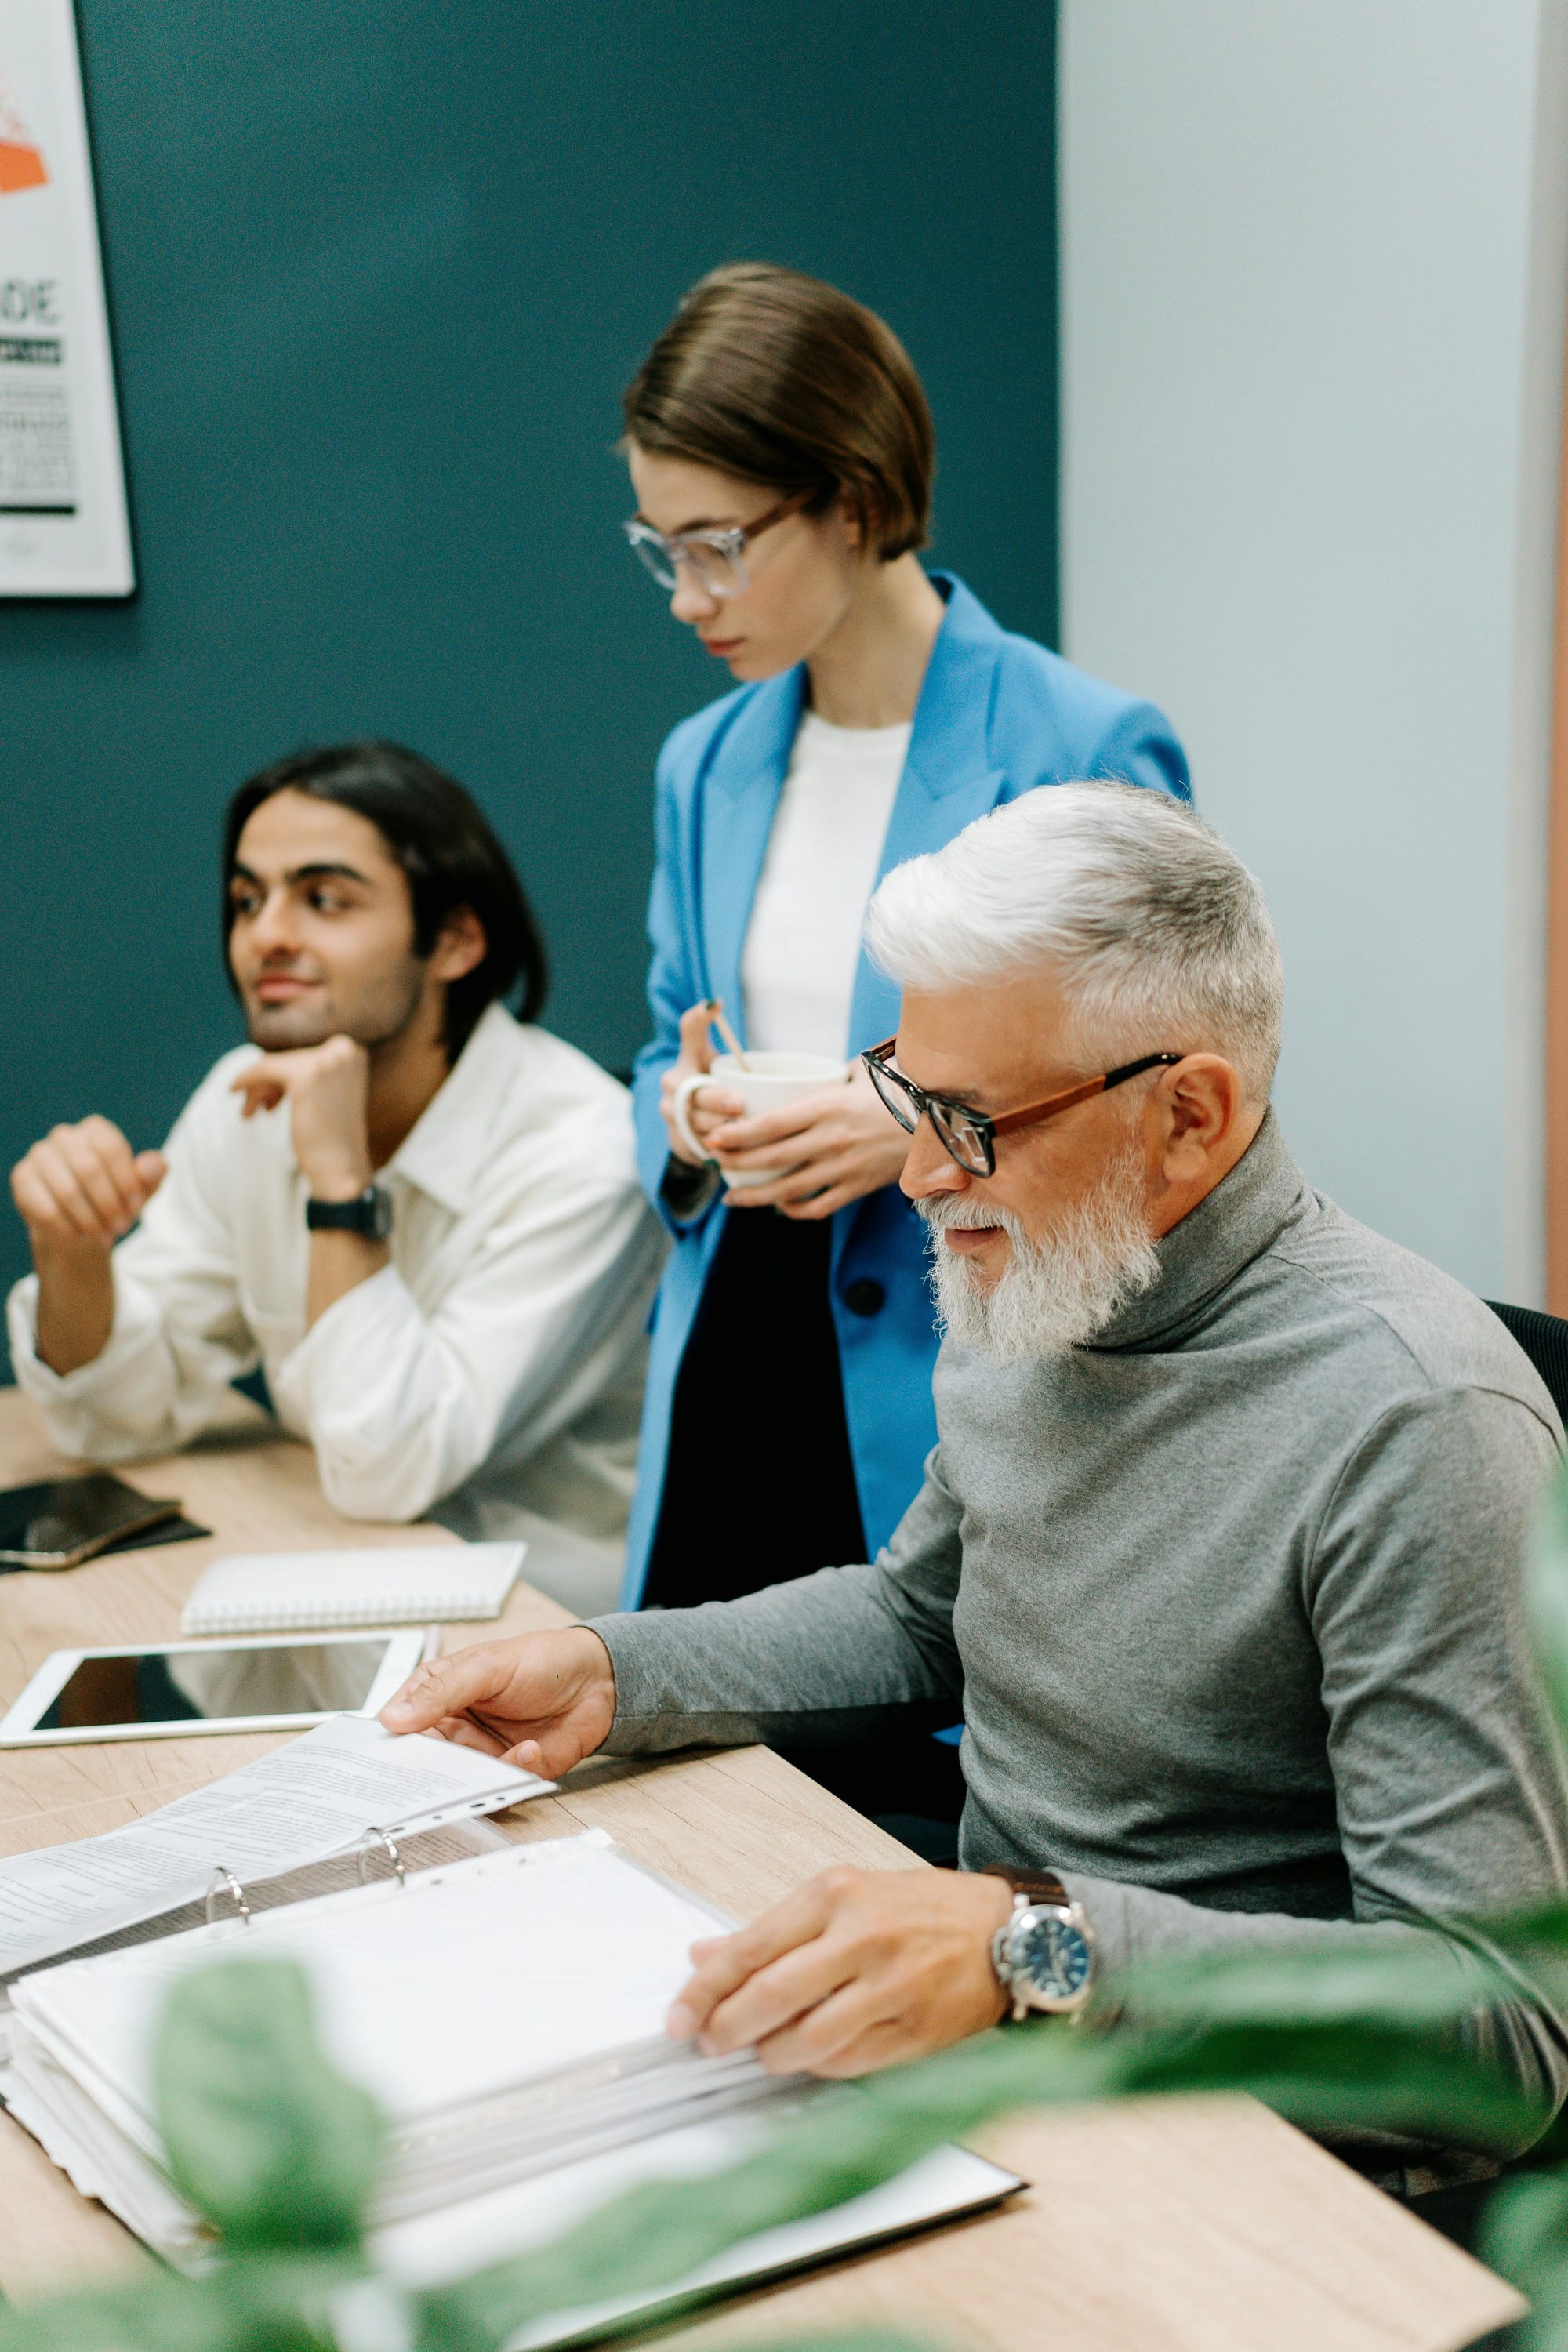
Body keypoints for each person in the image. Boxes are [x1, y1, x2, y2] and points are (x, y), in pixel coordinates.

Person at [382, 782, 1568, 2143]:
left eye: (975, 1121)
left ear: (1189, 1114)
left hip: (1246, 2136)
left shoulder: (1419, 1420)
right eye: (910, 1097)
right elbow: (919, 1618)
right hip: (1006, 2041)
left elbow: (1502, 2031)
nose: (921, 1177)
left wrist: (1030, 1949)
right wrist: (613, 1670)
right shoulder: (1045, 1280)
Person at [619, 266, 1187, 1831]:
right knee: (706, 1816)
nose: (687, 592)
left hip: (952, 1367)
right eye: (659, 550)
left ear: (856, 502)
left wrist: (903, 1119)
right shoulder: (704, 763)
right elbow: (658, 1045)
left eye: (718, 545)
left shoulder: (1076, 743)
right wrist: (680, 1119)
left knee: (908, 1823)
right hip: (737, 1351)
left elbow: (1164, 1098)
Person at [8, 742, 665, 1600]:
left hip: (540, 1637)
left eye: (323, 899)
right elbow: (111, 1419)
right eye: (248, 899)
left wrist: (338, 1189)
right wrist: (71, 1253)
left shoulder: (585, 1152)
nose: (266, 935)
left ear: (456, 940)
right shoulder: (246, 1096)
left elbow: (385, 1468)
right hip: (310, 1587)